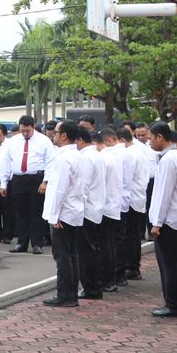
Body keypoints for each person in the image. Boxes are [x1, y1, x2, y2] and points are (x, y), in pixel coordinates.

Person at [40, 121, 84, 307]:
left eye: (56, 132)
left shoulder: (63, 158)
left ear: (64, 135)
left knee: (63, 256)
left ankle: (65, 294)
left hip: (63, 212)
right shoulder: (77, 155)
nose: (53, 135)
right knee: (71, 255)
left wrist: (54, 215)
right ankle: (70, 293)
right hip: (73, 210)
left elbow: (59, 189)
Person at [148, 122, 177, 318]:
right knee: (170, 263)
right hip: (173, 219)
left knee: (168, 264)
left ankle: (173, 304)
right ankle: (172, 302)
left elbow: (164, 193)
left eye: (151, 138)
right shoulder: (174, 157)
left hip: (168, 221)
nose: (149, 143)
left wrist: (157, 222)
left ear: (160, 137)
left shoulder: (169, 160)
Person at [2, 115, 51, 255]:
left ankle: (37, 243)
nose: (25, 133)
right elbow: (6, 162)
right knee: (20, 213)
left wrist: (45, 181)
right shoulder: (13, 141)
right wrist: (4, 183)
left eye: (27, 130)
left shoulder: (44, 140)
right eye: (22, 130)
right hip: (18, 179)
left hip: (37, 178)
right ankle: (21, 243)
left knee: (36, 212)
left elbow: (50, 162)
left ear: (33, 127)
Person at [74, 128, 106, 299]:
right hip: (95, 207)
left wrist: (77, 207)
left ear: (80, 140)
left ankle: (91, 287)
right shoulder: (96, 155)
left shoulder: (86, 157)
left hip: (87, 210)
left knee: (86, 251)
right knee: (92, 249)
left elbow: (83, 186)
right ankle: (93, 285)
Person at [117, 127, 149, 280]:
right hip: (138, 196)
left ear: (122, 140)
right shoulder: (140, 151)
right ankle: (134, 267)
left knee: (127, 236)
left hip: (129, 199)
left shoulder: (128, 154)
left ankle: (129, 267)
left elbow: (125, 180)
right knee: (134, 235)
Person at [96, 128, 125, 291]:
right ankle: (111, 279)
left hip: (105, 206)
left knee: (104, 245)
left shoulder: (104, 157)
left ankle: (106, 280)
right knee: (110, 243)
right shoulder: (116, 156)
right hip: (113, 204)